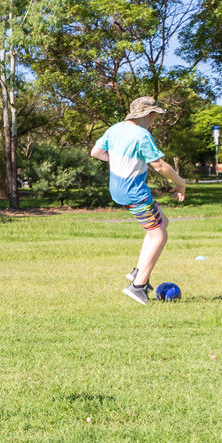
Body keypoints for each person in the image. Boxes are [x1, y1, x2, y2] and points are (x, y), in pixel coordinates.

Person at [90, 96, 187, 305]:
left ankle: (137, 271)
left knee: (162, 223)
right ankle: (138, 286)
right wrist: (181, 183)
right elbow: (160, 166)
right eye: (153, 116)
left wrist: (116, 161)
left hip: (117, 190)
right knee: (159, 236)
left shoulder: (115, 129)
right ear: (145, 115)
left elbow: (96, 152)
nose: (154, 120)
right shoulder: (141, 135)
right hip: (134, 191)